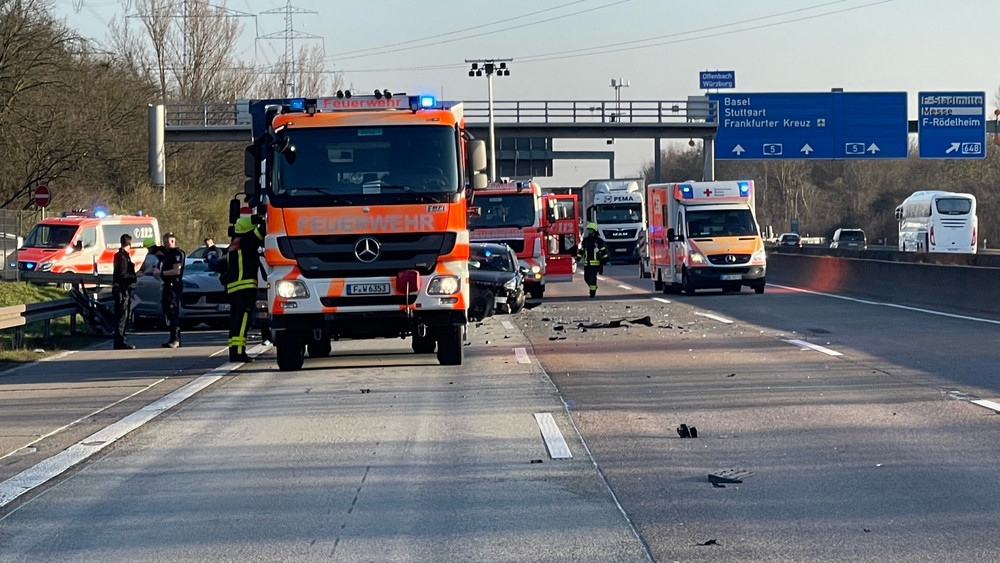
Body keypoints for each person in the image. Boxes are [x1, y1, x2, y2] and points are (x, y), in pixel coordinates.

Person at [224, 216, 264, 363]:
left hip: (235, 288)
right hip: (245, 287)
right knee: (242, 322)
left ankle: (235, 352)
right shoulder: (247, 240)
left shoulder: (234, 244)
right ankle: (239, 354)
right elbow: (264, 229)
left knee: (236, 322)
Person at [152, 232, 185, 348]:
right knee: (167, 311)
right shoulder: (168, 254)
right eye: (164, 242)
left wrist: (160, 273)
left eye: (167, 242)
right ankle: (173, 338)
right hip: (167, 285)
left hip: (173, 286)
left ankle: (176, 339)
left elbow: (177, 271)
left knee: (172, 311)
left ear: (173, 241)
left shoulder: (177, 253)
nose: (165, 244)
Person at [112, 234, 141, 349]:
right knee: (122, 316)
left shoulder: (119, 255)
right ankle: (120, 341)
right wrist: (135, 275)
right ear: (130, 243)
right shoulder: (123, 257)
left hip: (121, 289)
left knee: (121, 315)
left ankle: (119, 340)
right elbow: (122, 274)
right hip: (122, 290)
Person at [578, 222, 609, 298]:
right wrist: (577, 259)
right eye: (589, 230)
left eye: (591, 230)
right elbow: (581, 251)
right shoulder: (585, 240)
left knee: (592, 278)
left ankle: (592, 293)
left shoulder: (598, 241)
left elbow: (604, 251)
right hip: (587, 263)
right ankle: (593, 287)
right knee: (586, 278)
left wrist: (606, 260)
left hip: (595, 264)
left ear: (594, 231)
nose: (589, 231)